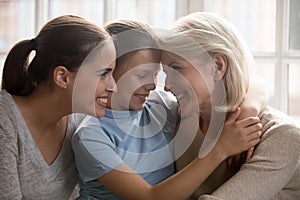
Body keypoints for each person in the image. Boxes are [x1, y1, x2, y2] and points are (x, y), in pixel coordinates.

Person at [71, 19, 262, 200]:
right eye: (142, 75)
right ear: (109, 72)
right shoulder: (91, 136)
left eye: (155, 75)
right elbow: (150, 197)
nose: (153, 86)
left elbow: (256, 84)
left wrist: (247, 111)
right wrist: (219, 150)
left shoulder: (159, 106)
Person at [160, 12, 300, 200]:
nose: (167, 86)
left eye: (176, 68)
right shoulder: (174, 120)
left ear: (217, 66)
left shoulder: (281, 137)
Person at [0, 15, 116, 199]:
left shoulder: (79, 122)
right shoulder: (5, 123)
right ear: (62, 77)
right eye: (103, 74)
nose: (113, 87)